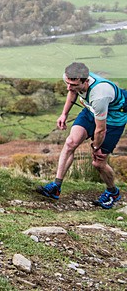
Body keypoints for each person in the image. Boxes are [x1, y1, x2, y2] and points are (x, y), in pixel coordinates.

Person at [38, 62, 127, 209]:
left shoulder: (100, 95)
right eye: (67, 83)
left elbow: (100, 130)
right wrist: (64, 114)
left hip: (113, 118)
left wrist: (96, 147)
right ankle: (56, 187)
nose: (68, 87)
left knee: (98, 162)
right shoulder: (71, 78)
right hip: (91, 111)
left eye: (73, 84)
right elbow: (72, 92)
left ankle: (113, 192)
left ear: (85, 81)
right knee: (70, 143)